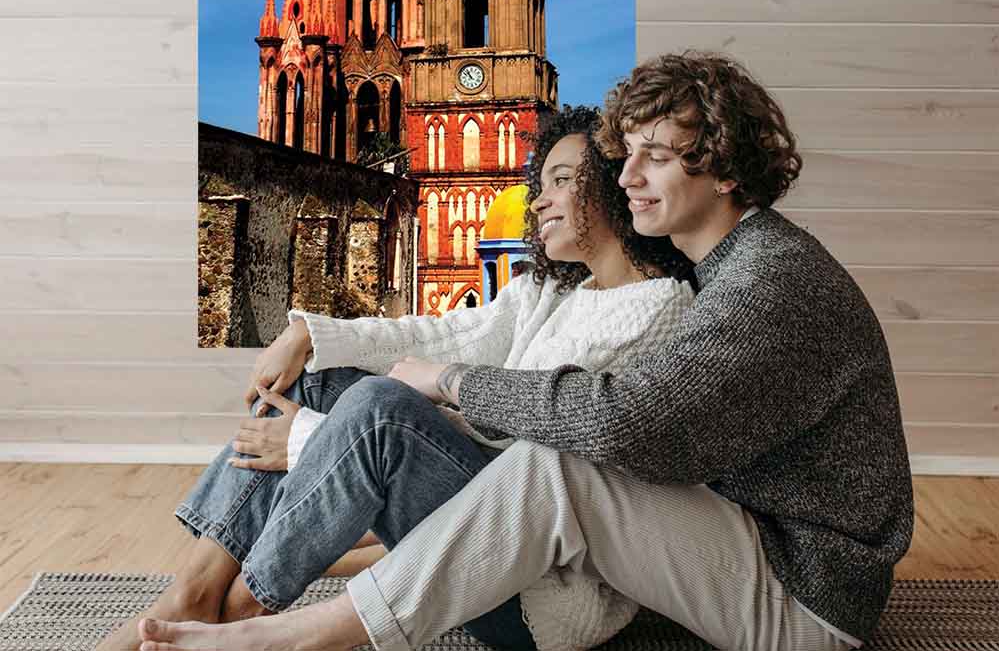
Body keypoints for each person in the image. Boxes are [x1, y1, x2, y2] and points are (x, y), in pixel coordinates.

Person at [135, 52, 914, 651]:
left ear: (729, 169)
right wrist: (322, 337)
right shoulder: (741, 264)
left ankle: (281, 630)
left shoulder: (767, 281)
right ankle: (200, 594)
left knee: (564, 457)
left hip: (804, 591)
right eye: (626, 155)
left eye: (657, 156)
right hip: (751, 538)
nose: (629, 174)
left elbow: (622, 424)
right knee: (362, 389)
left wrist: (448, 383)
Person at [99, 105, 694, 651]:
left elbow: (531, 469)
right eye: (542, 183)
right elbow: (438, 338)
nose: (539, 200)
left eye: (563, 180)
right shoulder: (556, 290)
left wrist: (310, 439)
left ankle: (241, 612)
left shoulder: (656, 310)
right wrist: (311, 336)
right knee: (321, 379)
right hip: (481, 534)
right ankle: (193, 597)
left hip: (540, 589)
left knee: (380, 409)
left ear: (619, 186)